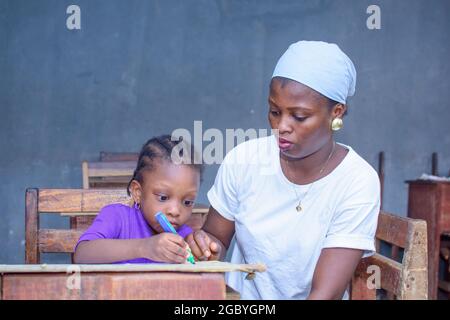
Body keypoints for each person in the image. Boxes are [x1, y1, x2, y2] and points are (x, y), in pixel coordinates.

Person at [186, 40, 380, 299]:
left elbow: (325, 294)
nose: (282, 126)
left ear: (336, 113)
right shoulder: (244, 161)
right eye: (274, 111)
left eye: (299, 116)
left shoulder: (357, 181)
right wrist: (205, 248)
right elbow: (216, 239)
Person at [74, 135, 203, 264]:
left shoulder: (184, 238)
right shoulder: (117, 218)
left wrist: (204, 253)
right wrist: (144, 247)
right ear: (138, 193)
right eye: (163, 197)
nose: (175, 211)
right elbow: (82, 254)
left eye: (187, 202)